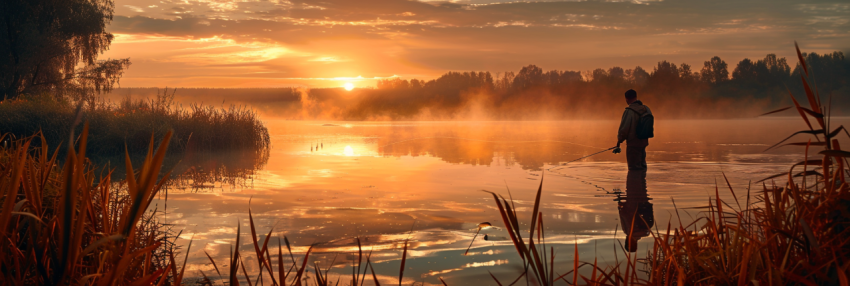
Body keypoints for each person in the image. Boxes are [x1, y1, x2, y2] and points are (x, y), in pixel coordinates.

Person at [614, 89, 651, 170]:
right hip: (643, 142)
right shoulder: (646, 109)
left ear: (626, 99)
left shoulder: (629, 111)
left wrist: (619, 141)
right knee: (642, 166)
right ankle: (642, 181)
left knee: (633, 168)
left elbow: (624, 129)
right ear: (636, 97)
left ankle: (635, 182)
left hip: (633, 144)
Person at [617, 169, 653, 252]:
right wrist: (621, 205)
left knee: (641, 181)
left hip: (644, 200)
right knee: (633, 178)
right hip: (632, 201)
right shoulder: (628, 231)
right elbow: (624, 216)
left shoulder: (646, 232)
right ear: (627, 242)